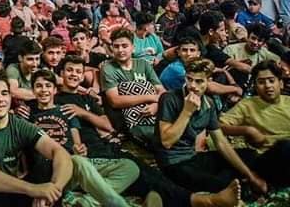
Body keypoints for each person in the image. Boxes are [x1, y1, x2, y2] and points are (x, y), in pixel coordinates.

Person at [57, 55, 241, 207]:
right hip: (88, 153)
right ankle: (204, 201)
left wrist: (83, 112)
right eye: (69, 70)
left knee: (150, 174)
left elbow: (106, 125)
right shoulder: (56, 100)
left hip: (106, 147)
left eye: (78, 71)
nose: (74, 75)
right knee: (141, 176)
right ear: (61, 74)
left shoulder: (87, 99)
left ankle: (161, 199)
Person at [0, 70, 73, 207]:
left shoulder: (18, 124)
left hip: (9, 192)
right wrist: (32, 189)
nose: (0, 99)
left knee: (48, 177)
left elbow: (59, 152)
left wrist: (54, 189)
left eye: (4, 93)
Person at [24, 68, 141, 207]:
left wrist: (80, 149)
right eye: (38, 86)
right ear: (32, 91)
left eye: (48, 86)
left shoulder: (65, 111)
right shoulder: (28, 115)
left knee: (130, 167)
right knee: (78, 161)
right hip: (49, 170)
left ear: (55, 90)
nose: (44, 90)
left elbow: (77, 144)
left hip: (74, 165)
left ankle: (86, 202)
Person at [156, 58, 267, 195]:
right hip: (173, 162)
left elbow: (221, 142)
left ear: (209, 81)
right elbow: (167, 142)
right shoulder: (169, 98)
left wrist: (249, 175)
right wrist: (187, 111)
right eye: (189, 79)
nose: (192, 86)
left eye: (199, 81)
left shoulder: (208, 103)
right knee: (223, 186)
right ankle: (231, 182)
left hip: (193, 157)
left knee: (250, 156)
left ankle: (237, 178)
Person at [219, 60, 290, 189]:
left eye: (271, 81)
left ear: (280, 83)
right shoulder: (248, 105)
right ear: (256, 87)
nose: (267, 86)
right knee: (286, 146)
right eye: (261, 82)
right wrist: (247, 130)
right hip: (266, 158)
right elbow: (218, 126)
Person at [100, 28, 165, 146]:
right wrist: (151, 97)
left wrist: (156, 105)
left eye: (124, 46)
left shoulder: (143, 64)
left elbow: (161, 91)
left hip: (154, 112)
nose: (120, 50)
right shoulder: (108, 68)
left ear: (133, 47)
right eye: (116, 46)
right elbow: (115, 101)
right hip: (129, 120)